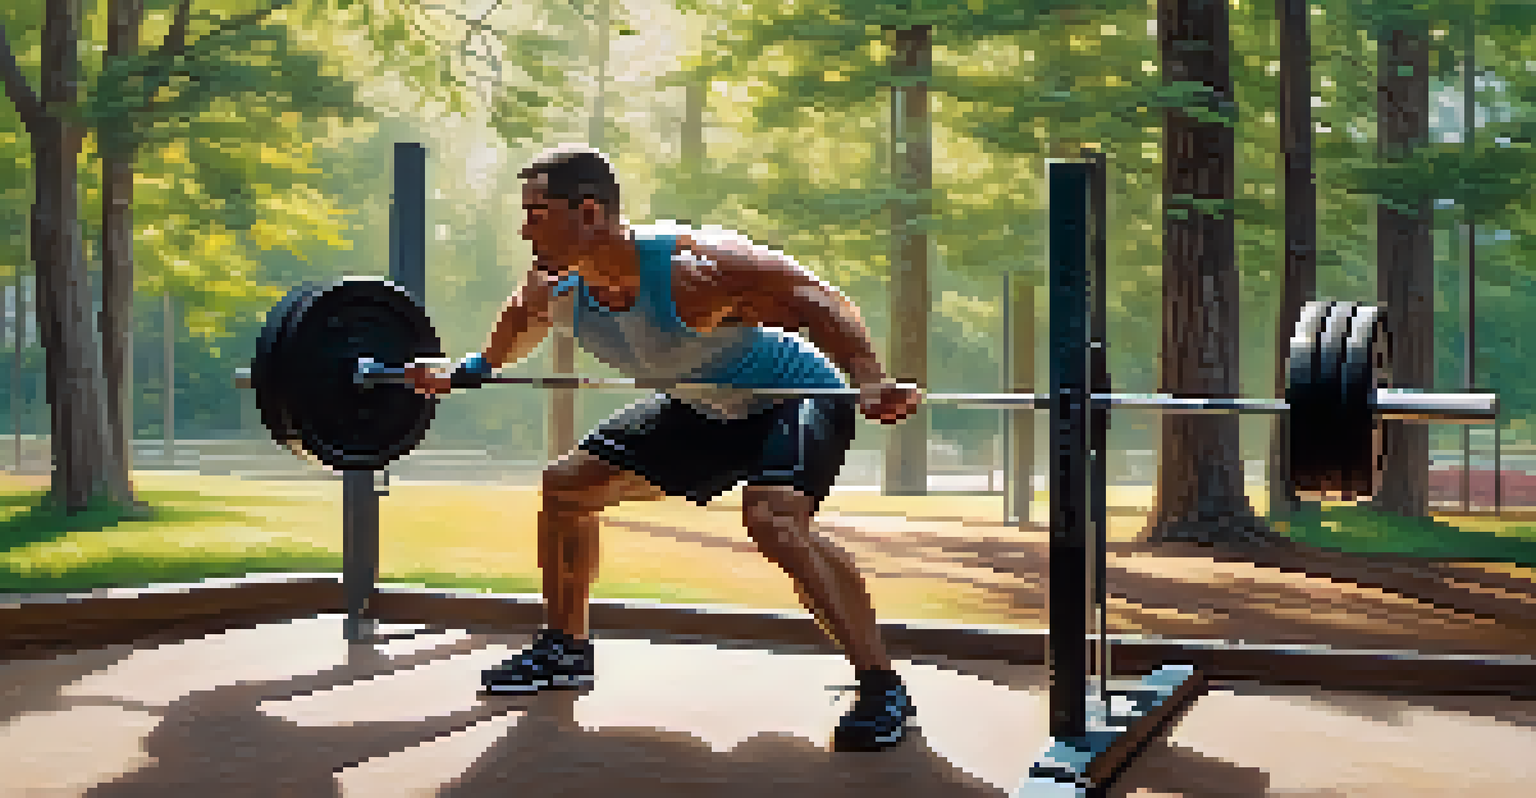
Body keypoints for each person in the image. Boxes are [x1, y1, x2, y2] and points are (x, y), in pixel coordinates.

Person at [408, 144, 922, 752]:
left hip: (793, 394)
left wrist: (869, 379)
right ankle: (565, 649)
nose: (525, 230)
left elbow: (815, 298)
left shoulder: (690, 270)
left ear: (590, 213)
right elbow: (519, 324)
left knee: (774, 521)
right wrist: (470, 369)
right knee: (567, 487)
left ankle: (882, 687)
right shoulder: (554, 288)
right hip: (704, 406)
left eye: (538, 214)